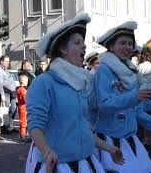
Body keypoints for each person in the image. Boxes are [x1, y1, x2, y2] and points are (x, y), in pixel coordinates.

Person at [26, 13, 123, 173]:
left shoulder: (80, 83)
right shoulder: (44, 82)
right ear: (63, 49)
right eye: (77, 43)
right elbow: (35, 126)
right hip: (59, 166)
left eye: (83, 42)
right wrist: (47, 151)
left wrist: (110, 149)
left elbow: (83, 129)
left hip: (86, 163)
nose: (84, 46)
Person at [94, 20, 151, 172]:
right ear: (111, 46)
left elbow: (136, 109)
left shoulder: (130, 72)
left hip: (130, 138)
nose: (127, 47)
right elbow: (104, 105)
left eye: (130, 43)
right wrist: (134, 97)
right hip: (110, 140)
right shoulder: (104, 70)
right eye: (122, 43)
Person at [0, 56, 17, 134]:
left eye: (8, 61)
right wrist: (2, 94)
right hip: (5, 92)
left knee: (13, 109)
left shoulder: (5, 69)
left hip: (12, 92)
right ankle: (4, 129)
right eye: (6, 61)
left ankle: (11, 126)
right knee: (4, 110)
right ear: (1, 61)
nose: (8, 63)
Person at [16, 75, 29, 142]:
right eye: (26, 81)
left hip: (20, 106)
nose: (27, 82)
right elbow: (26, 99)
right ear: (23, 82)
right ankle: (23, 136)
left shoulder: (18, 89)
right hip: (24, 107)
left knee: (22, 121)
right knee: (24, 121)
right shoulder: (23, 90)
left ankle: (23, 135)